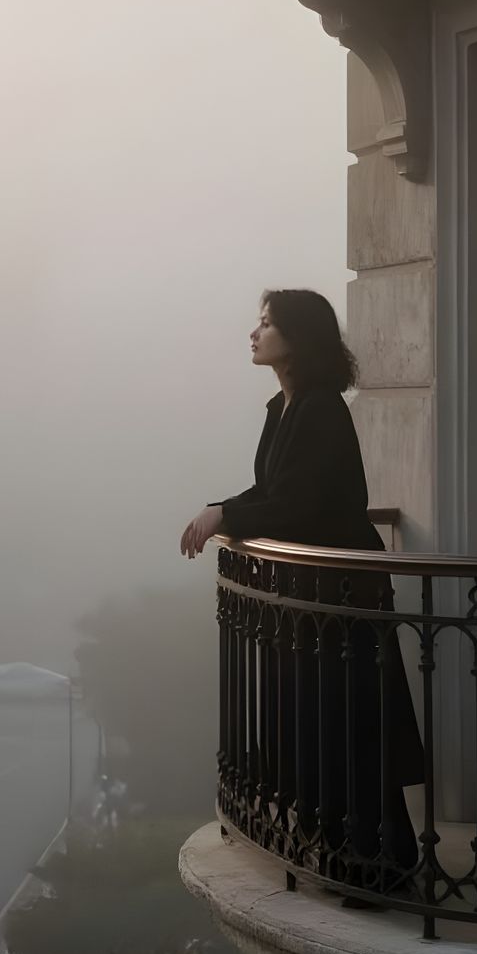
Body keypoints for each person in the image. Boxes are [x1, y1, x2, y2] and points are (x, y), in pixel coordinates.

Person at [180, 289, 423, 896]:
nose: (255, 333)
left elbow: (297, 504)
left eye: (267, 324)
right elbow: (276, 490)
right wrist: (225, 507)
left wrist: (223, 513)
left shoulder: (320, 410)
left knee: (350, 722)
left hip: (342, 598)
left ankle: (376, 864)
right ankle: (339, 852)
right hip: (312, 598)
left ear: (298, 337)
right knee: (317, 721)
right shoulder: (282, 406)